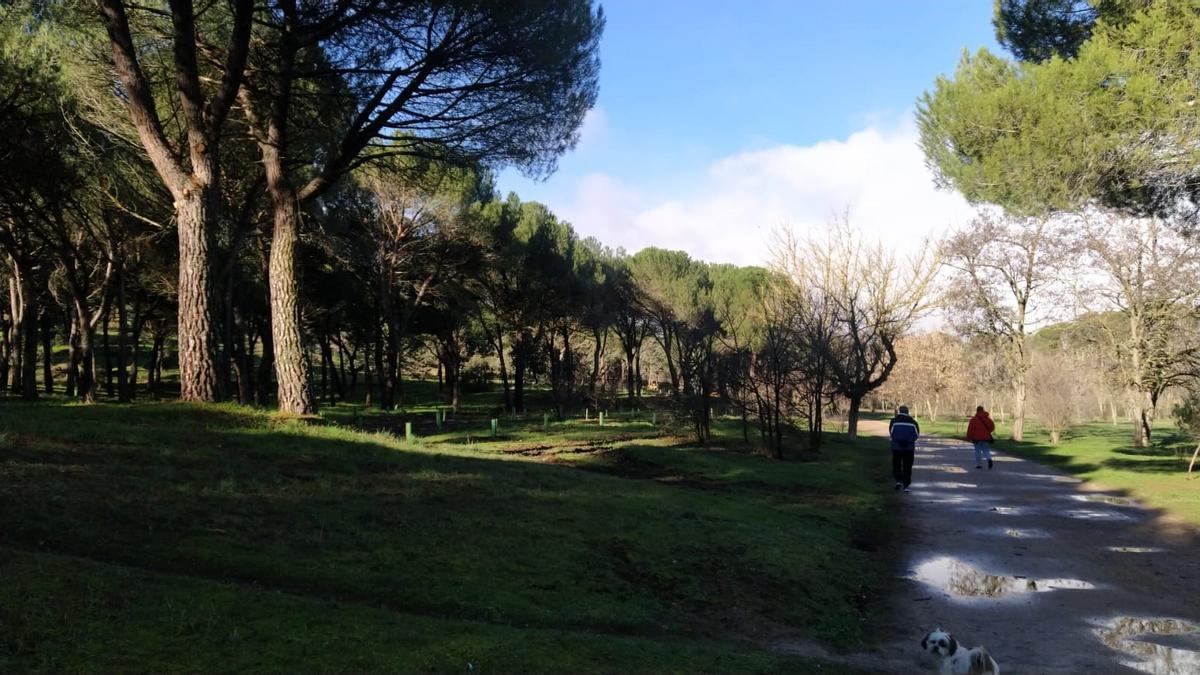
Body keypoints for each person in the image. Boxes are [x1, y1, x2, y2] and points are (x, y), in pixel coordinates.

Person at [889, 405, 920, 492]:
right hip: (909, 448)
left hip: (896, 447)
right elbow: (916, 435)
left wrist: (899, 440)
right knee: (908, 466)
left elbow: (891, 433)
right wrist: (908, 441)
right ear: (908, 412)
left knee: (897, 464)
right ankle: (906, 485)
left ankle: (898, 481)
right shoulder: (913, 422)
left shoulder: (894, 421)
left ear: (899, 411)